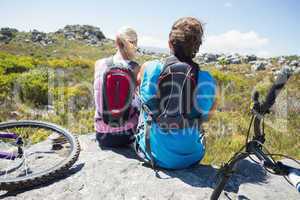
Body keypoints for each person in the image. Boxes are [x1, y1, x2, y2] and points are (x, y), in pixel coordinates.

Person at [134, 17, 218, 170]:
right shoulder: (207, 80)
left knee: (142, 101)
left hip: (155, 156)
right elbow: (205, 118)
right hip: (192, 157)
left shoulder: (150, 68)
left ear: (169, 43)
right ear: (197, 47)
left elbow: (138, 87)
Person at [94, 27, 140, 148]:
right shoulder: (135, 68)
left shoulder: (99, 63)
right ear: (134, 45)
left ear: (116, 43)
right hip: (128, 134)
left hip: (102, 134)